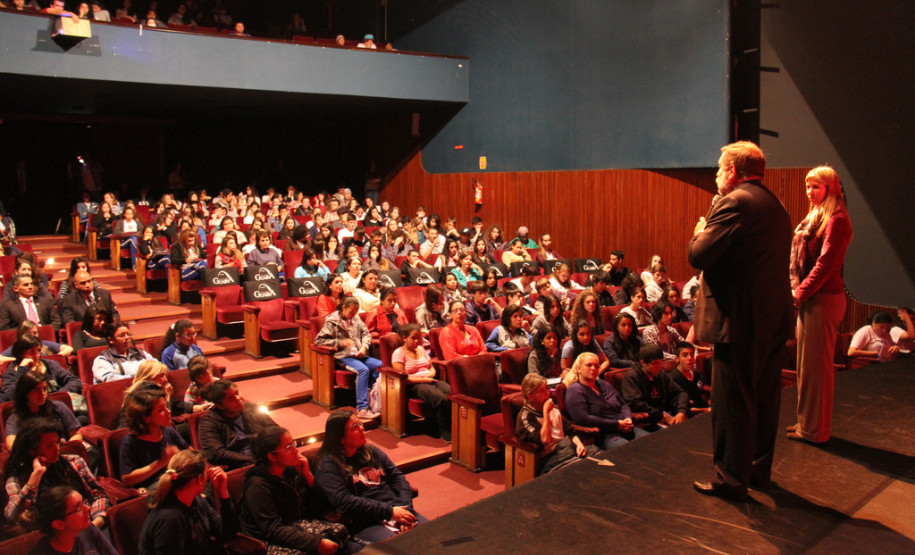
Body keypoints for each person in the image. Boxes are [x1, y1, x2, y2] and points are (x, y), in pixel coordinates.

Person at [688, 141, 793, 500]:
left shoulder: (734, 202)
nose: (717, 175)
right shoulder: (776, 205)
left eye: (719, 169)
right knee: (764, 399)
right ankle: (757, 471)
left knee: (733, 402)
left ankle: (731, 479)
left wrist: (702, 229)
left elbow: (698, 255)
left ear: (733, 171)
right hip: (772, 318)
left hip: (740, 321)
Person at [787, 166, 854, 444]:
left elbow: (825, 265)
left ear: (830, 187)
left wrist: (799, 293)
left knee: (818, 370)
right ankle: (806, 424)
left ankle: (816, 430)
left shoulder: (837, 219)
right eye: (807, 186)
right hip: (812, 299)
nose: (809, 192)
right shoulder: (817, 216)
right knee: (807, 368)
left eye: (816, 187)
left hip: (823, 299)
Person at [314, 409, 423, 544]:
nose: (362, 428)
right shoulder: (328, 466)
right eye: (355, 427)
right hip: (367, 522)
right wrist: (390, 512)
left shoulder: (371, 451)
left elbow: (397, 478)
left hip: (397, 510)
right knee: (405, 546)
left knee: (438, 534)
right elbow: (345, 502)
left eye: (360, 423)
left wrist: (406, 510)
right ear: (340, 438)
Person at [239, 426, 349, 555]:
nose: (296, 450)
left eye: (294, 444)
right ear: (272, 456)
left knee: (339, 531)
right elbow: (273, 529)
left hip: (293, 525)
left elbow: (321, 505)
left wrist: (308, 476)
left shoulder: (290, 471)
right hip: (266, 540)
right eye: (289, 447)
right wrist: (315, 543)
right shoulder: (257, 486)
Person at [4, 419, 110, 531]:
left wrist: (96, 522)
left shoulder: (74, 461)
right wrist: (36, 477)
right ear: (32, 451)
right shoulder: (17, 477)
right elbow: (12, 516)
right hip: (53, 534)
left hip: (89, 524)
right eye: (49, 446)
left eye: (57, 442)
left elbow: (99, 495)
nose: (57, 449)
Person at [138, 449, 237, 554]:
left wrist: (223, 493)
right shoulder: (169, 517)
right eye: (206, 472)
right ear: (199, 479)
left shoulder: (197, 500)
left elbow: (227, 533)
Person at [515, 373, 598, 476]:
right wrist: (546, 413)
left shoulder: (553, 408)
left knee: (598, 456)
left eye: (546, 389)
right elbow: (545, 440)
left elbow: (570, 431)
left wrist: (579, 445)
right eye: (542, 391)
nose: (547, 393)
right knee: (582, 470)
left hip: (567, 448)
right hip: (551, 458)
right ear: (530, 396)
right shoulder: (526, 417)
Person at [564, 353, 647, 450]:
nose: (593, 368)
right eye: (589, 365)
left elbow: (623, 404)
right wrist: (617, 425)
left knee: (653, 442)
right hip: (605, 435)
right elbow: (583, 418)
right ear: (578, 368)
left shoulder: (603, 384)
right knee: (632, 451)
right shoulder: (575, 390)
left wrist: (628, 418)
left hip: (626, 427)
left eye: (596, 366)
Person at [315, 297, 382, 419]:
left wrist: (364, 348)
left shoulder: (355, 318)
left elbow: (366, 333)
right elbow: (319, 341)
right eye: (351, 312)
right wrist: (341, 342)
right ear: (344, 307)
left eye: (355, 313)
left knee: (380, 366)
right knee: (363, 370)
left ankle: (373, 400)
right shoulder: (332, 321)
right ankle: (362, 408)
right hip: (344, 356)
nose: (353, 316)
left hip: (359, 354)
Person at [391, 325, 452, 441]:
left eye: (418, 338)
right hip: (414, 384)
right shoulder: (398, 353)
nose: (416, 341)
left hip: (430, 379)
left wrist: (431, 374)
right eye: (413, 338)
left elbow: (431, 367)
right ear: (404, 338)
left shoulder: (421, 349)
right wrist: (424, 379)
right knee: (440, 398)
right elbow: (402, 379)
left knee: (452, 393)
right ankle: (444, 430)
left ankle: (454, 426)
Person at [119, 388, 189, 489]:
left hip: (176, 478)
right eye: (161, 410)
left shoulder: (168, 431)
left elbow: (190, 452)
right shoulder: (130, 441)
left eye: (166, 407)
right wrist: (161, 462)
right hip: (154, 487)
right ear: (146, 417)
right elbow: (127, 479)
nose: (168, 412)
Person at [198, 379, 277, 469]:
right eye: (231, 398)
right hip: (242, 465)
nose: (238, 398)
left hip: (265, 456)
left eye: (237, 393)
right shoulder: (208, 422)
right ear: (220, 405)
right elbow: (215, 453)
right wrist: (251, 460)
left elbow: (274, 429)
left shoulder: (251, 408)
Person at [4, 371, 83, 450]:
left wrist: (64, 448)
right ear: (25, 393)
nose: (42, 393)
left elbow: (76, 434)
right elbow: (12, 446)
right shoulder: (16, 418)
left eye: (44, 389)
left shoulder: (58, 407)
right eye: (36, 390)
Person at [31, 485, 119, 555]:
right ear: (59, 524)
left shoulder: (88, 529)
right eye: (78, 508)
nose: (88, 508)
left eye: (83, 503)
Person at [621, 344, 689, 430]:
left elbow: (680, 392)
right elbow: (634, 403)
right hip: (650, 420)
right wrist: (662, 416)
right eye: (655, 363)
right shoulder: (632, 377)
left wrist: (681, 412)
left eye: (660, 362)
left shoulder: (661, 374)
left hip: (667, 414)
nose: (659, 366)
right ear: (643, 363)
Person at [2, 335, 81, 404]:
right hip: (32, 412)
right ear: (20, 353)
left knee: (82, 418)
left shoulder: (50, 365)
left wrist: (58, 395)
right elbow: (13, 396)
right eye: (31, 352)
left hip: (58, 404)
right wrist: (22, 370)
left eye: (39, 350)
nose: (36, 355)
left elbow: (75, 381)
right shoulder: (10, 374)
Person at [848, 310, 914, 362]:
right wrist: (876, 353)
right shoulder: (866, 331)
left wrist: (895, 349)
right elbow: (851, 352)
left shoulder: (886, 334)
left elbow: (892, 349)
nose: (884, 330)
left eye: (887, 328)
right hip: (871, 364)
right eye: (881, 327)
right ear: (874, 323)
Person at [0, 319, 73, 363]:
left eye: (35, 333)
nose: (33, 336)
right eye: (28, 334)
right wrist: (19, 360)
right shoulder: (17, 348)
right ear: (22, 335)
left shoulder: (44, 343)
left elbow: (69, 349)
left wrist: (54, 358)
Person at [670, 342, 710, 413]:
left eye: (692, 354)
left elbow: (703, 395)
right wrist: (706, 410)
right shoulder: (673, 378)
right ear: (677, 359)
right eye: (685, 355)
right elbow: (682, 408)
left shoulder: (696, 373)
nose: (690, 358)